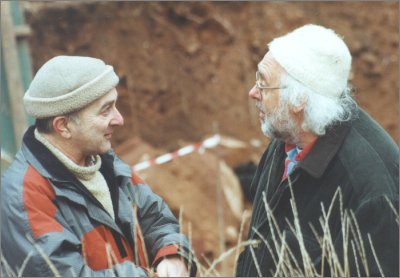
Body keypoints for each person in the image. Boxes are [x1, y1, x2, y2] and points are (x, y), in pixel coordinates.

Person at [1, 56, 196, 277]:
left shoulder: (106, 164)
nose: (119, 119)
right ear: (63, 126)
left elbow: (156, 218)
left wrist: (172, 255)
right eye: (106, 110)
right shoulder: (24, 196)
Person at [235, 24, 399, 277]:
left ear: (299, 101)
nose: (253, 92)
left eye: (264, 84)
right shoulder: (288, 133)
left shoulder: (372, 193)